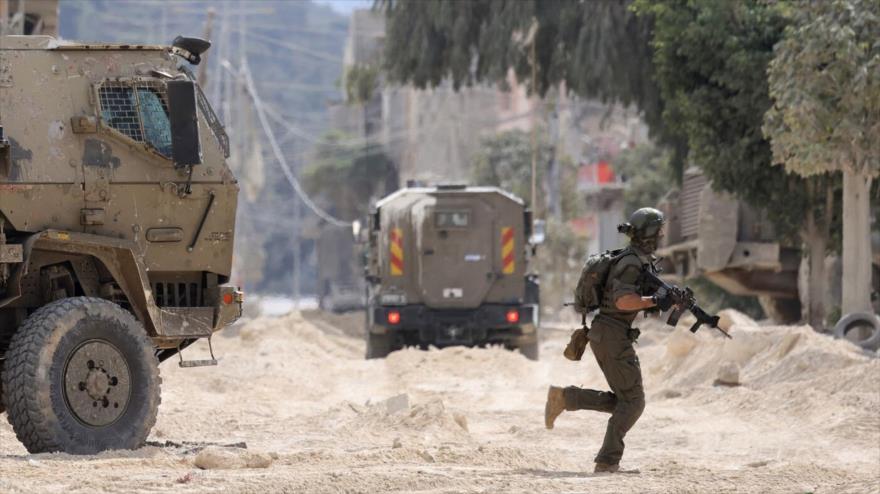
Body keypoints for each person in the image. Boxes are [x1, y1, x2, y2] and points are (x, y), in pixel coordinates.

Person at [544, 207, 672, 473]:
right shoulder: (631, 262)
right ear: (651, 233)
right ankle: (607, 461)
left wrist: (664, 299)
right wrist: (656, 300)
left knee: (624, 402)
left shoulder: (638, 259)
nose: (662, 234)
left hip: (609, 333)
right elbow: (622, 300)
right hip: (612, 335)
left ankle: (565, 398)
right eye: (659, 229)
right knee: (634, 402)